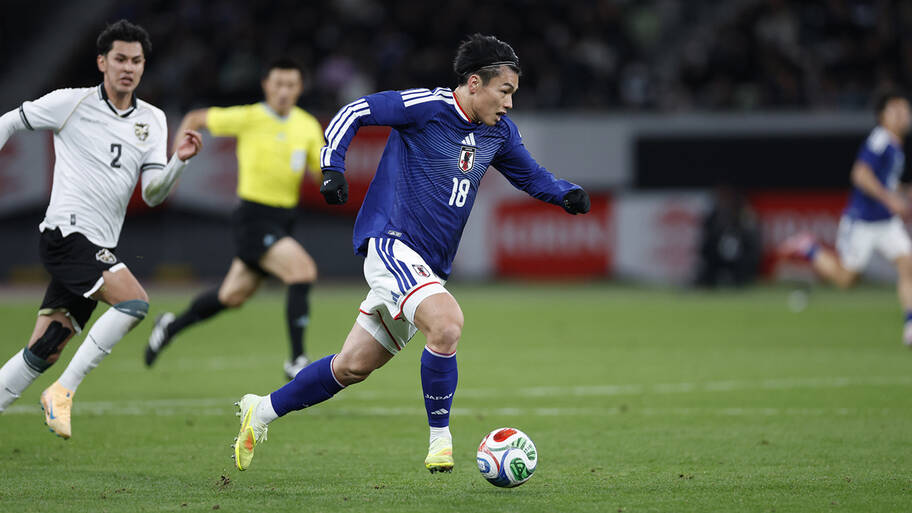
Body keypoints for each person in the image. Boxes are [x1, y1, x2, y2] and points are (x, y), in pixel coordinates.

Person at [229, 34, 591, 473]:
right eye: (505, 91)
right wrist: (332, 166)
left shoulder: (498, 132)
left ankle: (261, 410)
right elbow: (354, 111)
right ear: (475, 83)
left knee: (351, 367)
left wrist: (566, 194)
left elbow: (530, 176)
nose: (509, 103)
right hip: (392, 243)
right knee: (447, 324)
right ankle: (441, 441)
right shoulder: (428, 107)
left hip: (428, 268)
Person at [0, 20, 202, 437]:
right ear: (102, 62)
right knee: (135, 303)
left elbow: (153, 193)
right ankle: (63, 392)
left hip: (98, 244)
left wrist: (178, 162)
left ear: (143, 66)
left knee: (47, 346)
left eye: (136, 61)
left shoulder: (153, 119)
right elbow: (10, 122)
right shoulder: (71, 103)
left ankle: (42, 387)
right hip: (66, 234)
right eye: (120, 59)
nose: (128, 68)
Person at [144, 58, 324, 380]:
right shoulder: (250, 117)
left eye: (291, 85)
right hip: (254, 217)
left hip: (284, 219)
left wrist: (332, 175)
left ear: (300, 88)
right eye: (278, 84)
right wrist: (174, 165)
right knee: (302, 271)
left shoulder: (307, 125)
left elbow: (320, 171)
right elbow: (195, 118)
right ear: (266, 85)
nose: (284, 91)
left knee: (231, 296)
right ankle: (297, 359)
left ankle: (170, 326)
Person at [780, 89, 912, 345]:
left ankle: (910, 324)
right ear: (882, 116)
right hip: (862, 222)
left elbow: (886, 181)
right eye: (895, 110)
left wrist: (904, 192)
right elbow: (860, 175)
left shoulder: (896, 146)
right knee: (846, 280)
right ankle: (808, 247)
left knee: (907, 263)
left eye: (904, 110)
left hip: (886, 223)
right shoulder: (880, 140)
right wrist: (890, 199)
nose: (902, 115)